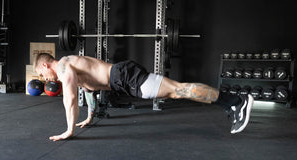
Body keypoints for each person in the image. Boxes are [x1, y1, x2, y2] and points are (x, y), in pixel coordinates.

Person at [34, 53, 253, 141]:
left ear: (45, 64)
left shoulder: (63, 65)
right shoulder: (70, 67)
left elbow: (70, 98)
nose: (45, 78)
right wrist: (90, 116)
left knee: (178, 90)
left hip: (123, 77)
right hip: (122, 79)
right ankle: (232, 104)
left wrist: (69, 130)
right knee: (177, 90)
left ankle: (236, 102)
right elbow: (88, 90)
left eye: (42, 74)